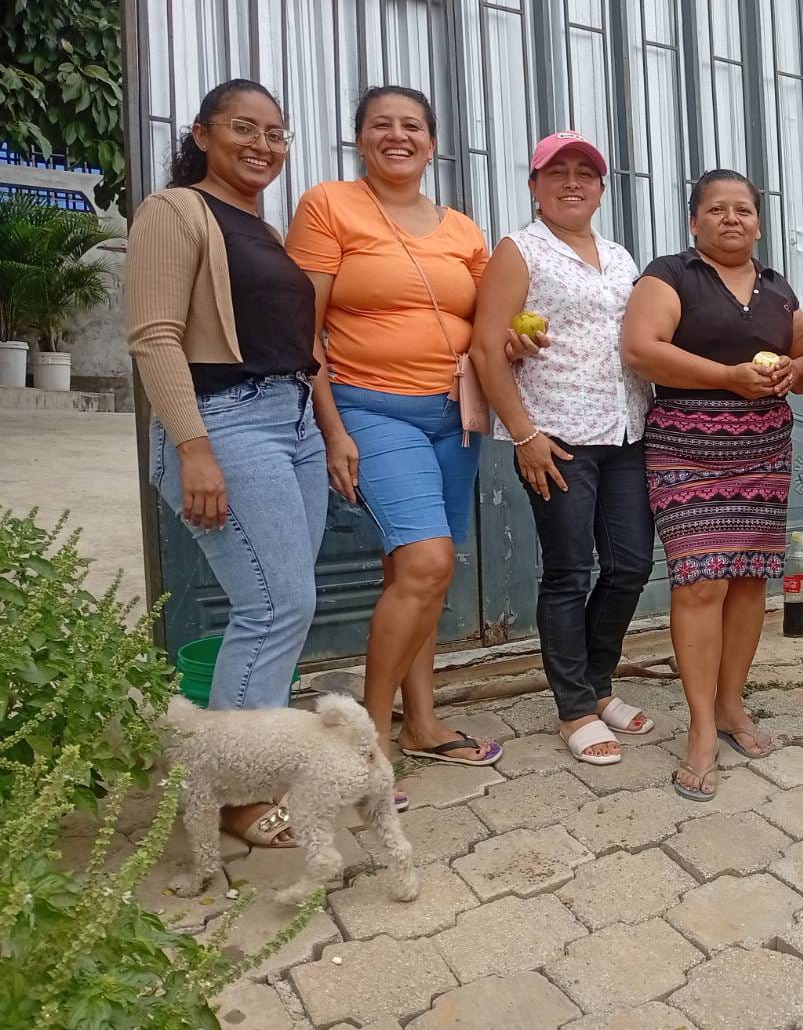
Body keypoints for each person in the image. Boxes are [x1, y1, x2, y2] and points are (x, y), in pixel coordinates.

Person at [286, 85, 527, 806]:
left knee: (419, 574)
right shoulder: (330, 206)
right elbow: (304, 329)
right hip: (370, 408)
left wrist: (516, 341)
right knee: (427, 561)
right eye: (381, 125)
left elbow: (489, 324)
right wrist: (332, 427)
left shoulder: (463, 229)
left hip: (454, 413)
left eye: (413, 126)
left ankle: (422, 722)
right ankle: (369, 746)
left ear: (432, 142)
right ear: (360, 138)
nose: (398, 136)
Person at [126, 78, 323, 848]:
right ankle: (233, 795)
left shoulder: (261, 228)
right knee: (273, 606)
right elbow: (154, 335)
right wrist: (193, 446)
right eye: (244, 127)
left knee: (285, 605)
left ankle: (250, 765)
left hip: (292, 420)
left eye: (276, 133)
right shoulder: (174, 210)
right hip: (225, 422)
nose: (262, 144)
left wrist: (328, 431)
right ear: (203, 134)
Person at [620, 169, 803, 801]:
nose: (731, 219)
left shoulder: (777, 287)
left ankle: (731, 705)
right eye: (716, 209)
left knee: (749, 579)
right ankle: (701, 726)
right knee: (701, 580)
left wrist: (793, 371)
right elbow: (640, 349)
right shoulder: (671, 274)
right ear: (694, 221)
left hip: (763, 446)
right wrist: (728, 376)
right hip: (686, 444)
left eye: (743, 210)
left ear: (758, 223)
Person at [470, 131, 654, 767]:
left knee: (629, 566)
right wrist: (524, 435)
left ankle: (598, 684)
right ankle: (574, 705)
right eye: (557, 172)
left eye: (585, 173)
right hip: (556, 438)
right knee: (570, 571)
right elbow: (487, 348)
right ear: (534, 185)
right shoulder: (519, 250)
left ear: (601, 188)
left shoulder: (621, 257)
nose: (572, 182)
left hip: (627, 432)